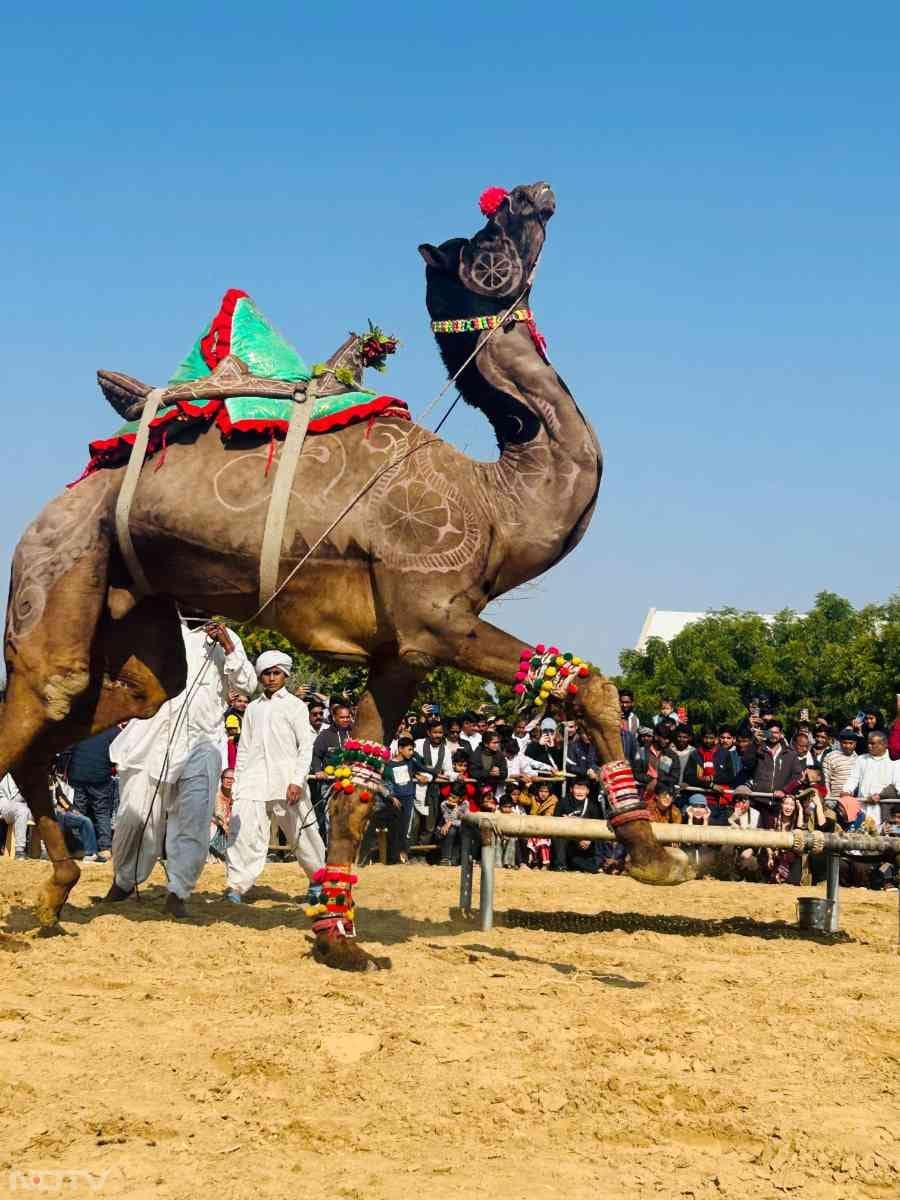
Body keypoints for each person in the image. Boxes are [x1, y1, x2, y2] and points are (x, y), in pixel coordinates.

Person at [104, 619, 256, 917]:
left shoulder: (226, 639)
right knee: (133, 816)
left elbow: (246, 685)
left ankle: (178, 891)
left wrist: (228, 645)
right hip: (151, 735)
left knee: (194, 819)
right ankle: (124, 881)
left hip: (202, 741)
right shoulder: (159, 627)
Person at [224, 650, 323, 902]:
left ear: (285, 675)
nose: (270, 678)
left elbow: (306, 746)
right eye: (266, 673)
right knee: (243, 831)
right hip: (253, 781)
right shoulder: (253, 708)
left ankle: (318, 879)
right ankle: (237, 885)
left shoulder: (296, 706)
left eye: (275, 673)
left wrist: (297, 779)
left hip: (287, 780)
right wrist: (238, 783)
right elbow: (244, 748)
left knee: (302, 832)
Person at [65, 726, 119, 859]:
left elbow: (67, 750)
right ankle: (105, 849)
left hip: (78, 776)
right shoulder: (113, 731)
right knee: (102, 813)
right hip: (100, 777)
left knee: (78, 812)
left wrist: (62, 769)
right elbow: (119, 753)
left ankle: (79, 847)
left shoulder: (80, 728)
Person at [839, 730, 900, 828]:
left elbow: (897, 787)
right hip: (862, 806)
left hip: (883, 808)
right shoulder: (861, 759)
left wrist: (880, 796)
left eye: (872, 744)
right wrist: (846, 791)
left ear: (884, 744)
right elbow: (853, 779)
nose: (869, 746)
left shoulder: (894, 762)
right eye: (868, 743)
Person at [552, 778, 601, 872]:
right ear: (571, 789)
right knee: (559, 838)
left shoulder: (593, 806)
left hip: (586, 841)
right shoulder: (563, 802)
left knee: (591, 867)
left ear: (588, 791)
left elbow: (596, 825)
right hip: (568, 839)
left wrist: (589, 840)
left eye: (583, 789)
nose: (580, 792)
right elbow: (556, 823)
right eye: (577, 788)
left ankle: (598, 864)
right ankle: (560, 866)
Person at [436, 780, 469, 865]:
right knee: (451, 831)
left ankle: (456, 860)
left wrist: (456, 808)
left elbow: (465, 820)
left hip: (460, 829)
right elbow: (446, 820)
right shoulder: (443, 805)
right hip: (443, 831)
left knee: (461, 831)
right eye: (450, 796)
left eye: (453, 797)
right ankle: (446, 858)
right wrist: (451, 821)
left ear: (461, 799)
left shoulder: (465, 804)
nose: (450, 799)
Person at [0, 774, 30, 858]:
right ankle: (19, 851)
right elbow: (14, 798)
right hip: (7, 806)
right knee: (21, 810)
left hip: (25, 806)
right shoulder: (9, 774)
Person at [208, 767, 234, 862]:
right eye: (227, 778)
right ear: (222, 779)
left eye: (232, 779)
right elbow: (217, 815)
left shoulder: (237, 795)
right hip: (216, 825)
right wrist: (225, 827)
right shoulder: (215, 794)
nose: (229, 781)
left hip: (231, 826)